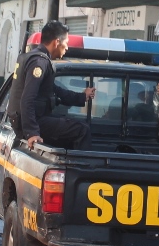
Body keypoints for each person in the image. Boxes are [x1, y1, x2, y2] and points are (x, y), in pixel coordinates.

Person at [7, 20, 95, 150]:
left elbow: (54, 90)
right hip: (31, 121)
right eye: (66, 43)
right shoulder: (39, 62)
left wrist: (81, 97)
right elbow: (27, 98)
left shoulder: (31, 57)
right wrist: (32, 132)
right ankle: (83, 168)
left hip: (25, 120)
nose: (67, 48)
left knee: (67, 136)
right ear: (57, 42)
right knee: (83, 130)